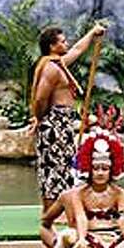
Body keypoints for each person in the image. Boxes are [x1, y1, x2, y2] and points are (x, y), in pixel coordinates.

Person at [28, 21, 106, 210]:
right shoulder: (51, 68)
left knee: (64, 167)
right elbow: (39, 99)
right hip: (54, 122)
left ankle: (61, 209)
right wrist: (40, 117)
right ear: (52, 46)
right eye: (62, 42)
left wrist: (93, 33)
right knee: (52, 169)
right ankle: (49, 213)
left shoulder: (59, 64)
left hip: (62, 122)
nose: (67, 44)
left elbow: (78, 49)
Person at [53, 127, 124, 248]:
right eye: (96, 168)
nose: (100, 173)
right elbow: (81, 217)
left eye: (104, 169)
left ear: (112, 170)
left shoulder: (120, 194)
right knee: (68, 236)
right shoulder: (79, 194)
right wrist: (81, 239)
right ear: (89, 169)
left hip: (114, 237)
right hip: (89, 236)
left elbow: (123, 218)